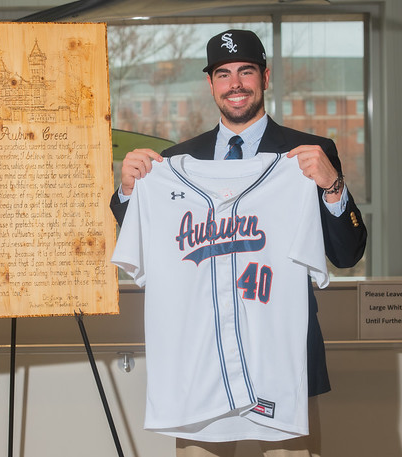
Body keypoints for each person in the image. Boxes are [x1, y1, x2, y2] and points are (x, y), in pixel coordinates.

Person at [110, 29, 367, 457]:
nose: (236, 84)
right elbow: (149, 243)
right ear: (210, 83)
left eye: (246, 72)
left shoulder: (309, 154)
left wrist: (332, 186)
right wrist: (129, 193)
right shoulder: (174, 163)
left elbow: (346, 254)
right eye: (224, 74)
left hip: (281, 354)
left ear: (265, 77)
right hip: (198, 353)